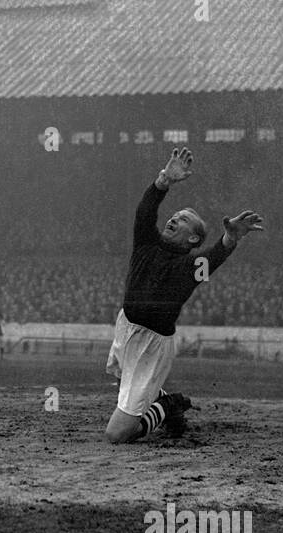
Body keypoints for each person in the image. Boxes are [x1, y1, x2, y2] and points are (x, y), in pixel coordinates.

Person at [105, 147, 263, 444]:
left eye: (183, 219)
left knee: (117, 435)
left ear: (193, 238)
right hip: (125, 325)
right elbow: (145, 210)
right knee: (120, 378)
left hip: (151, 345)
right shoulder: (146, 242)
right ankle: (162, 399)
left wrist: (230, 238)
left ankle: (167, 405)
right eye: (175, 215)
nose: (174, 218)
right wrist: (164, 180)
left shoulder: (190, 267)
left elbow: (214, 257)